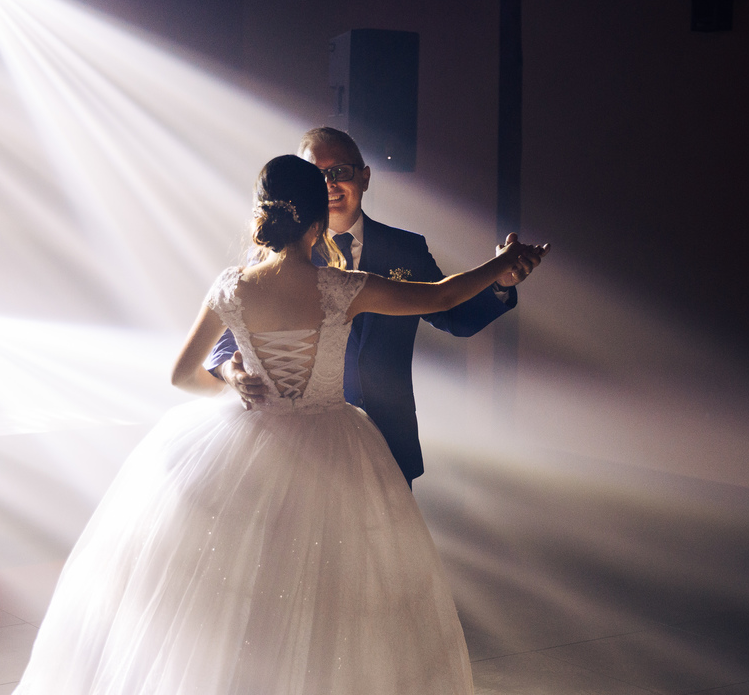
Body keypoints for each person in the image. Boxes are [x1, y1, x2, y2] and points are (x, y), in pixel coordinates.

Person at [3, 155, 541, 695]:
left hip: (243, 444)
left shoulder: (232, 287)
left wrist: (230, 378)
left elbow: (182, 375)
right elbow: (442, 295)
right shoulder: (341, 288)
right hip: (335, 448)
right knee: (333, 594)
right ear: (317, 223)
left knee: (238, 591)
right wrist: (501, 264)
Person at [208, 127, 544, 486]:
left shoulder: (407, 249)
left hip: (389, 438)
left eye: (340, 171)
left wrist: (499, 283)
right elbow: (226, 342)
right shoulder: (274, 259)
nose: (329, 184)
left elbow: (452, 313)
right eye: (316, 176)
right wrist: (231, 373)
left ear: (365, 177)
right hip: (300, 446)